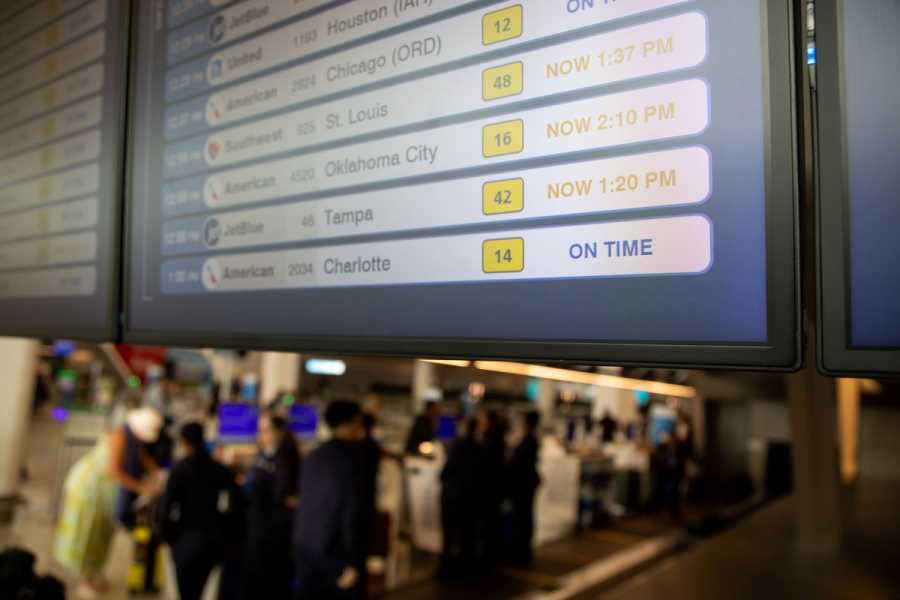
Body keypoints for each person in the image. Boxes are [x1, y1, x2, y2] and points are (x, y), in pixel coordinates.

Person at [54, 407, 163, 599]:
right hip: (90, 491)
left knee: (101, 534)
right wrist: (141, 488)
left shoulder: (132, 437)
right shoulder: (119, 436)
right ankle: (85, 579)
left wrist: (155, 472)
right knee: (87, 532)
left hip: (105, 493)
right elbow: (114, 471)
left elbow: (141, 458)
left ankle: (94, 572)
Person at [160, 423, 244, 600]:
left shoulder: (178, 469)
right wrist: (225, 526)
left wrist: (168, 538)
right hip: (212, 541)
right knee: (201, 589)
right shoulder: (218, 468)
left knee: (185, 592)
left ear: (183, 443)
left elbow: (166, 507)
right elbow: (237, 500)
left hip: (185, 540)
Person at [294, 400, 367, 600]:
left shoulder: (312, 456)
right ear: (350, 423)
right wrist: (351, 561)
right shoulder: (354, 461)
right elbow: (352, 513)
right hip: (337, 554)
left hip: (305, 548)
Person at [240, 413, 301, 600]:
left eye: (265, 430)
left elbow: (283, 495)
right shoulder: (264, 457)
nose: (261, 435)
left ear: (278, 433)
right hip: (258, 531)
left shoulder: (285, 459)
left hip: (271, 535)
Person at [439, 418, 483, 578]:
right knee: (466, 535)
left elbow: (445, 472)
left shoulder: (456, 446)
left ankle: (445, 569)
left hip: (452, 496)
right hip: (469, 498)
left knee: (449, 536)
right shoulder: (479, 448)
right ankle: (465, 568)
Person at [506, 411, 542, 566]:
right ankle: (522, 550)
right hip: (527, 484)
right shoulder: (531, 440)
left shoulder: (528, 441)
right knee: (525, 516)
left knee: (523, 517)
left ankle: (521, 551)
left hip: (524, 485)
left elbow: (519, 463)